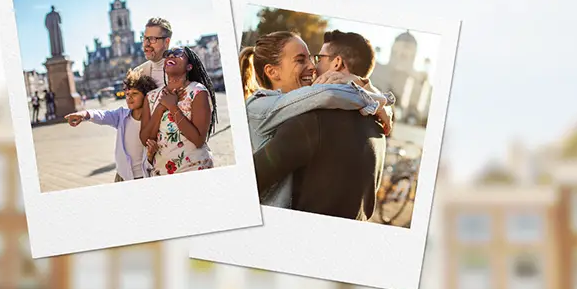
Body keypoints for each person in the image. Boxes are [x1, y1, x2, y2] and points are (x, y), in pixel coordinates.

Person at [239, 31, 395, 208]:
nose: (312, 66)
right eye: (300, 60)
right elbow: (327, 94)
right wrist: (373, 95)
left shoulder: (310, 117)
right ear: (272, 71)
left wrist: (374, 98)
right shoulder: (260, 106)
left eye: (315, 59)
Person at [64, 71, 159, 182]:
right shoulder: (121, 115)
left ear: (147, 96)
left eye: (135, 93)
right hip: (122, 176)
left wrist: (150, 155)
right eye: (127, 94)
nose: (129, 97)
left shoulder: (154, 120)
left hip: (143, 176)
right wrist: (84, 114)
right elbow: (103, 115)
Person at [141, 46, 218, 175]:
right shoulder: (151, 97)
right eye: (168, 54)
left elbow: (198, 140)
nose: (171, 56)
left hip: (194, 169)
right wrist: (160, 108)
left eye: (177, 53)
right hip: (162, 173)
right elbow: (145, 139)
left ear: (189, 66)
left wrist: (172, 107)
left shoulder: (198, 92)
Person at [132, 17, 174, 90]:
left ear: (166, 42)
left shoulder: (183, 70)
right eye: (145, 38)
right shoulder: (138, 73)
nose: (146, 44)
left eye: (152, 39)